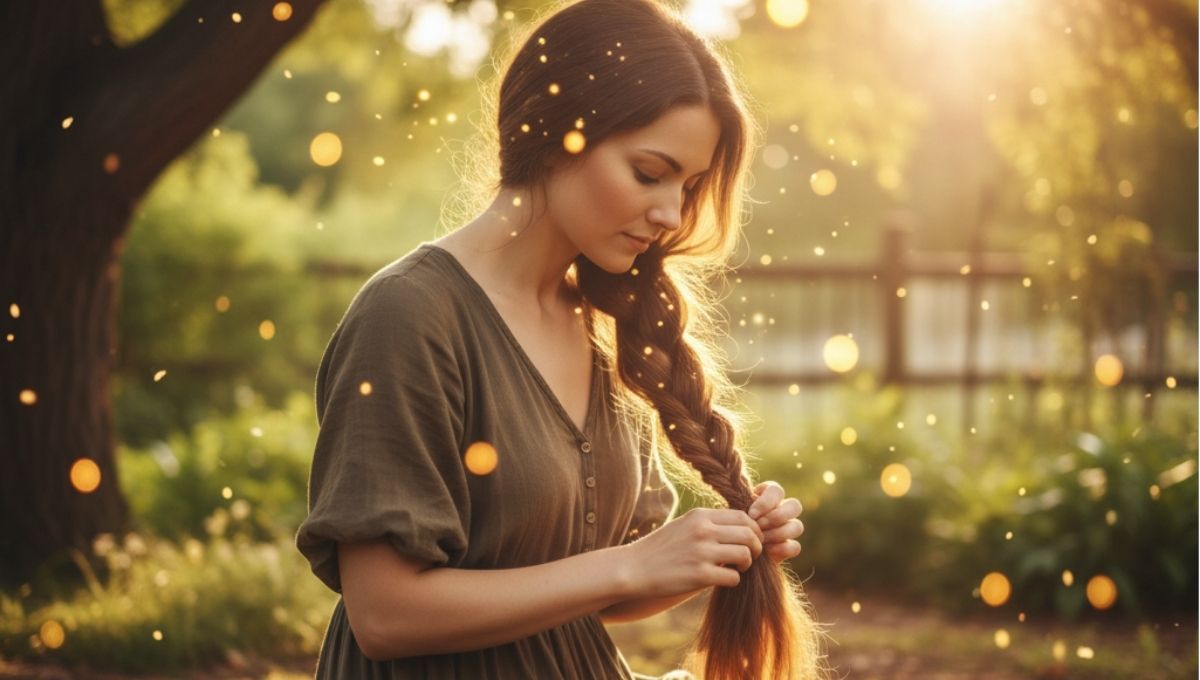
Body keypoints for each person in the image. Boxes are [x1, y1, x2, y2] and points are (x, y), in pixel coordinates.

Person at [295, 0, 827, 677]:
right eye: (648, 172)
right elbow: (386, 615)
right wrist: (630, 565)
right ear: (558, 134)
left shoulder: (601, 327)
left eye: (689, 186)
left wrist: (711, 555)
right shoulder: (410, 315)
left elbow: (593, 593)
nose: (671, 214)